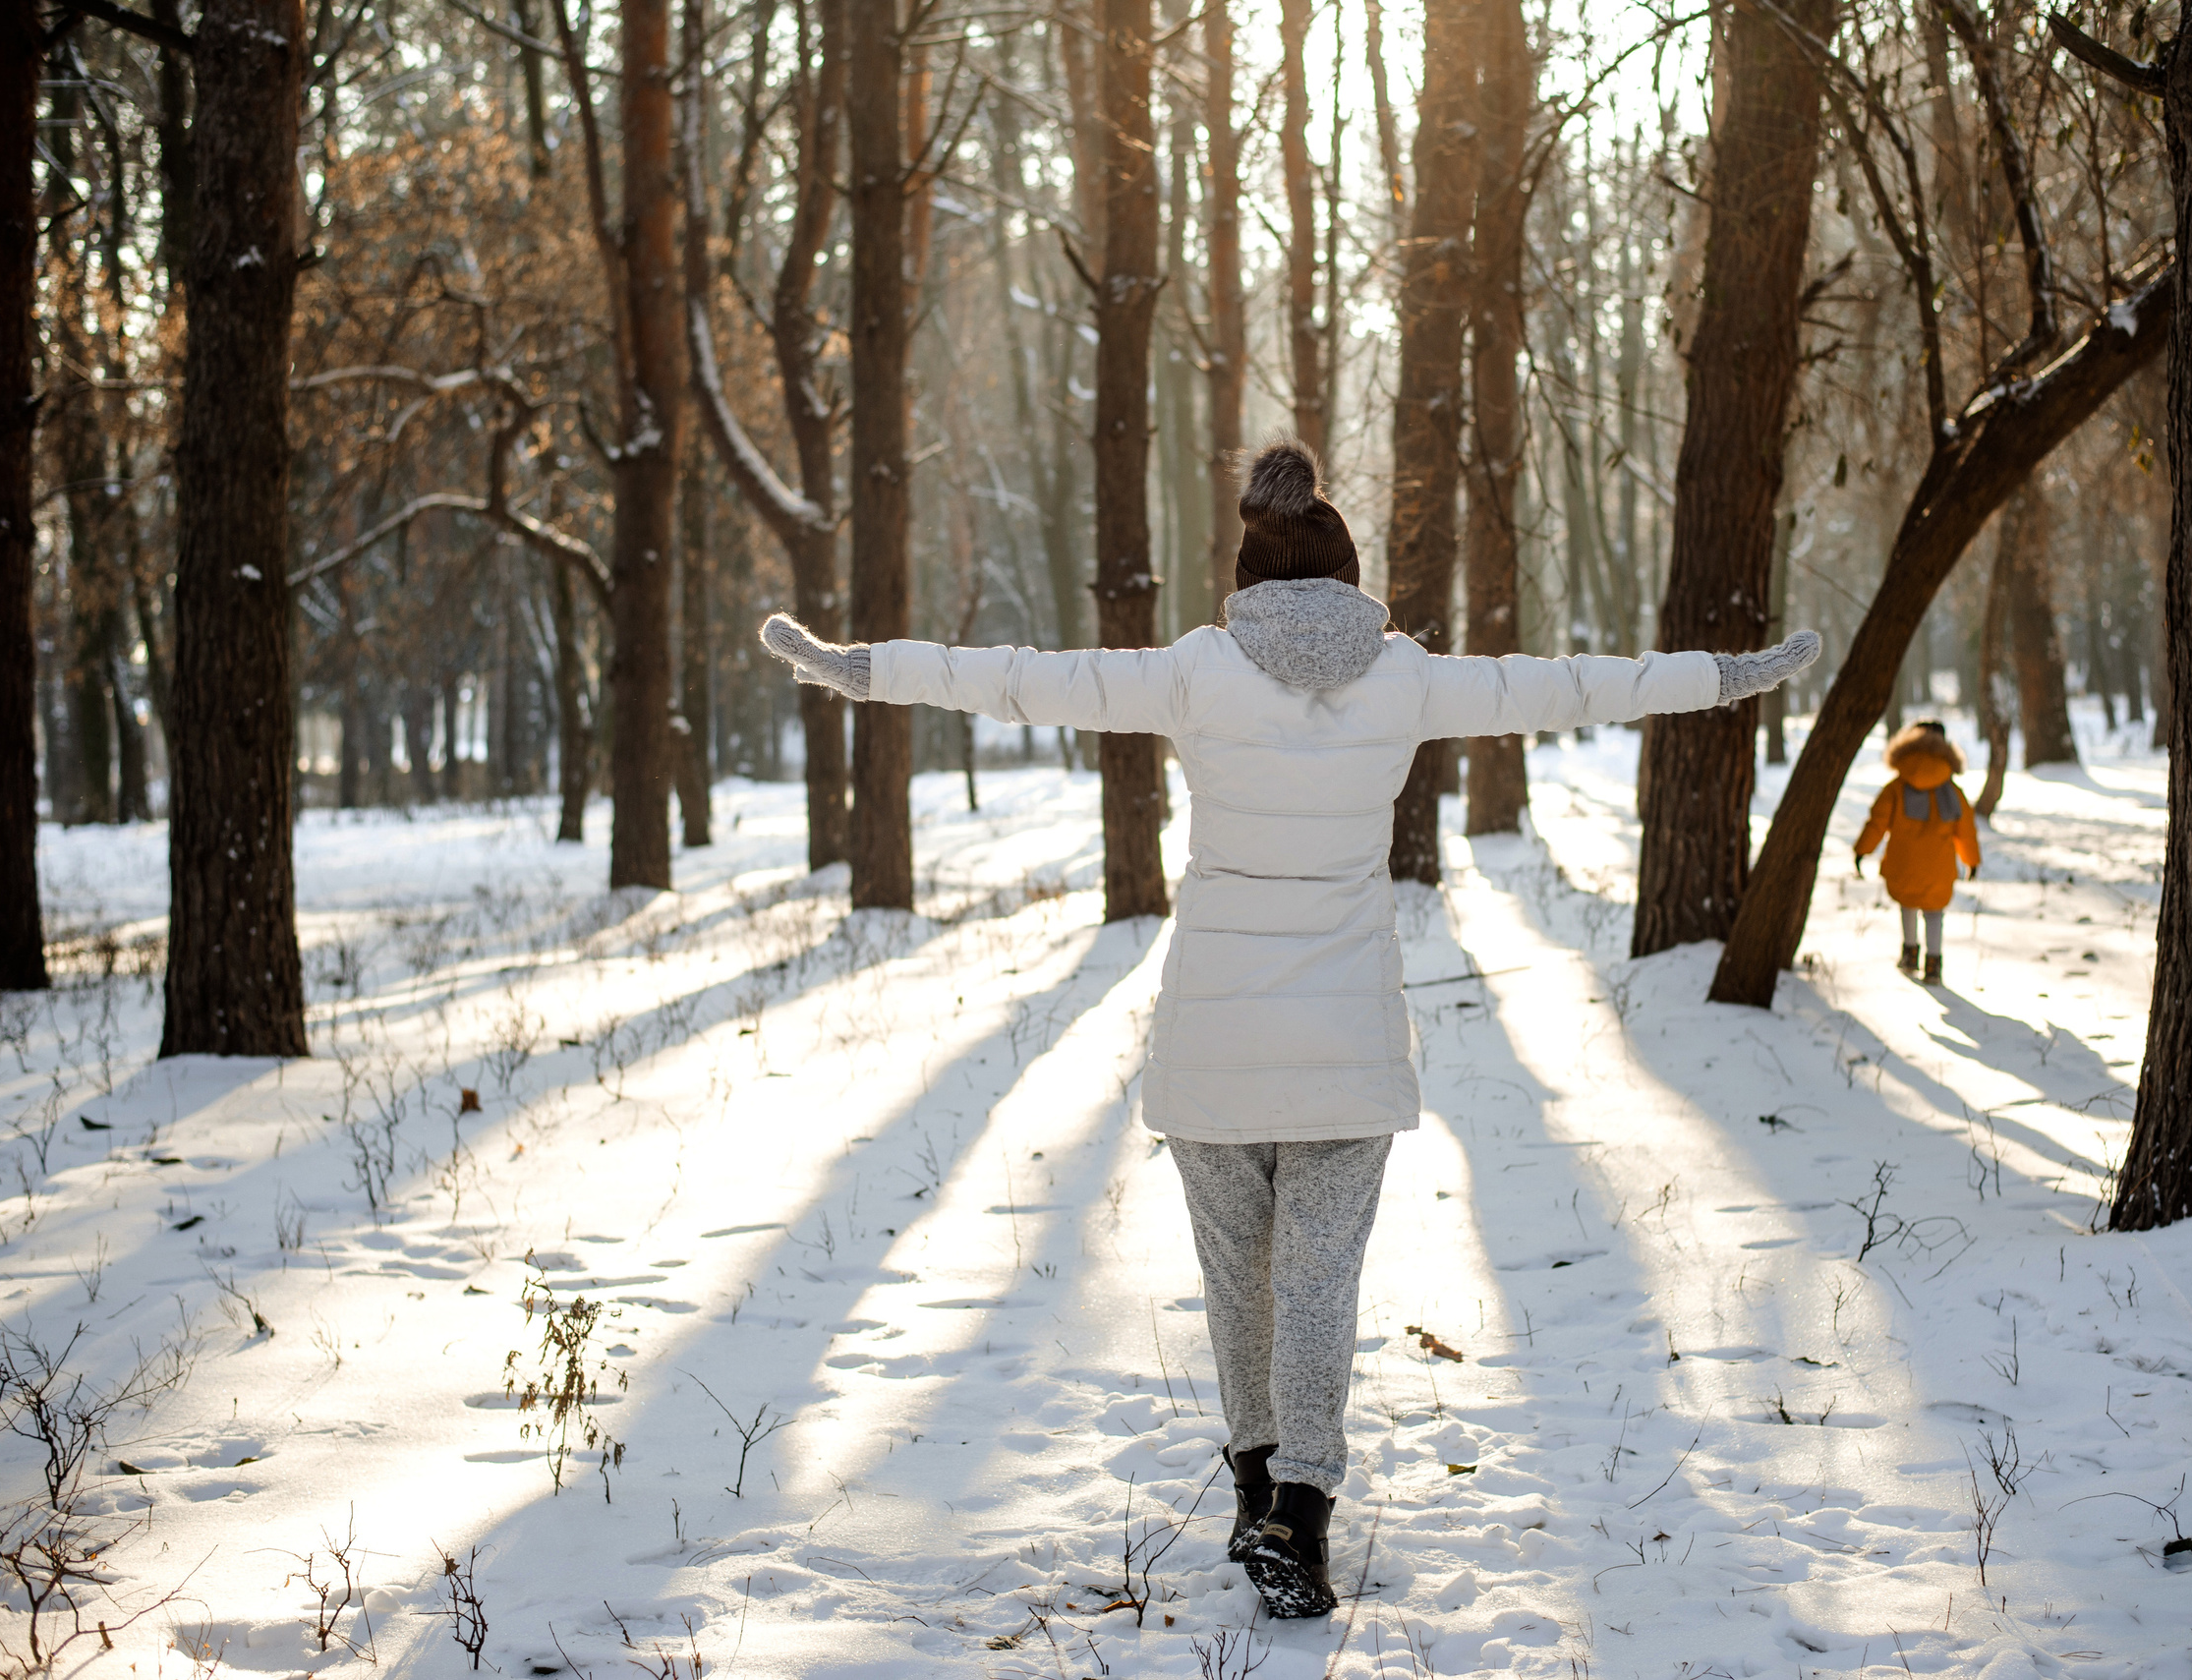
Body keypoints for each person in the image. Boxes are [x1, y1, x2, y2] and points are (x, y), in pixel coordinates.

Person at [759, 438, 1820, 1620]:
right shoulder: (1405, 676)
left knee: (1239, 1280)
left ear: (1249, 578)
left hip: (1212, 1047)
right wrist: (1724, 675)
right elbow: (1570, 684)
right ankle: (1298, 1511)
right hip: (1344, 1046)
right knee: (1317, 1282)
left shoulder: (1196, 671)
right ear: (1349, 578)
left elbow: (1020, 677)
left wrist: (862, 668)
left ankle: (1256, 1484)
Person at [1852, 720, 1982, 984]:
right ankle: (1933, 964)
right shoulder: (1953, 791)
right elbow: (1966, 831)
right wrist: (1972, 861)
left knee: (1908, 903)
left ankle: (1910, 954)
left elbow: (1877, 822)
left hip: (1904, 863)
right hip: (1939, 866)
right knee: (1934, 912)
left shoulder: (1897, 788)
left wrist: (1862, 850)